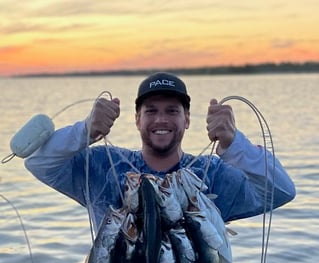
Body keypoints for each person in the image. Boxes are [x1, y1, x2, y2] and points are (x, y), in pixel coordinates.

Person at [24, 71, 296, 235]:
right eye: (151, 111)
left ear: (187, 119)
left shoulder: (212, 174)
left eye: (172, 111)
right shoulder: (102, 166)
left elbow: (282, 191)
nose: (161, 120)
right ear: (137, 119)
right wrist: (85, 131)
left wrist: (234, 144)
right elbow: (39, 163)